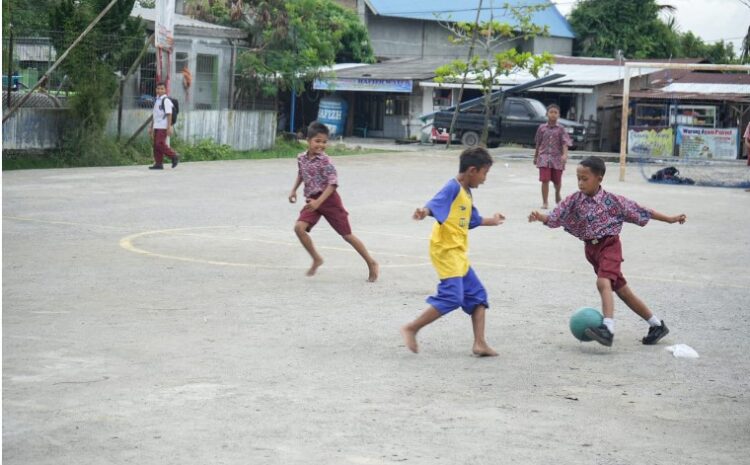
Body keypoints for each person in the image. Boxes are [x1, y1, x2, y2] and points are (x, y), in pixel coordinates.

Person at [528, 156, 686, 347]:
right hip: (592, 250)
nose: (580, 183)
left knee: (603, 283)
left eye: (585, 179)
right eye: (578, 178)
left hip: (610, 246)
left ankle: (608, 329)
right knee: (623, 291)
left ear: (599, 178)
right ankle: (656, 325)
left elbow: (643, 211)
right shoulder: (573, 200)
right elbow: (555, 217)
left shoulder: (613, 201)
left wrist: (669, 219)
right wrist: (541, 217)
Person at [401, 147, 505, 356]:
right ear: (472, 170)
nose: (484, 179)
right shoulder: (452, 187)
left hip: (457, 252)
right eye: (484, 173)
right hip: (445, 251)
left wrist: (492, 221)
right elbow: (435, 203)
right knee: (452, 297)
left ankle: (480, 343)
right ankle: (412, 328)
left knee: (477, 295)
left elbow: (471, 220)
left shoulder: (466, 192)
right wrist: (425, 211)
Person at [288, 121, 379, 281]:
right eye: (317, 141)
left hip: (330, 201)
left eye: (324, 142)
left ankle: (371, 262)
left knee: (347, 235)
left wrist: (318, 202)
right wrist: (294, 190)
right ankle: (316, 258)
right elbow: (301, 174)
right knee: (299, 228)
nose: (321, 145)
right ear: (308, 140)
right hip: (312, 200)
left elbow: (333, 184)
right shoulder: (301, 158)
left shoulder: (325, 161)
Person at [533, 103, 571, 209]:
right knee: (545, 180)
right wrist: (536, 156)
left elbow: (565, 143)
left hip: (557, 158)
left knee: (557, 181)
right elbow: (538, 143)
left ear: (559, 115)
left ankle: (557, 194)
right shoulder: (541, 128)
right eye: (551, 112)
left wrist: (565, 155)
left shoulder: (561, 129)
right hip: (544, 157)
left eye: (555, 112)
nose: (553, 114)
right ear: (547, 114)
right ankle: (545, 202)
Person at [147, 81, 179, 170]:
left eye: (162, 89)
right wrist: (151, 126)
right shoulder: (157, 100)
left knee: (159, 143)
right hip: (157, 126)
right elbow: (155, 115)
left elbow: (169, 114)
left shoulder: (166, 100)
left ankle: (174, 156)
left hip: (163, 126)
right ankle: (158, 163)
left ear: (165, 90)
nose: (159, 90)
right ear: (155, 89)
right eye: (158, 88)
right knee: (156, 145)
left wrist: (169, 127)